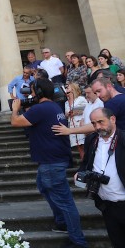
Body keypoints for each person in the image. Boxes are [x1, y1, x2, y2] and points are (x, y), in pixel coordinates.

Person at [10, 78, 87, 247]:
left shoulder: (41, 109)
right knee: (44, 187)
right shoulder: (54, 106)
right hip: (52, 160)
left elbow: (15, 122)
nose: (30, 95)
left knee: (65, 202)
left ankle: (78, 240)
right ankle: (62, 223)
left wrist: (15, 109)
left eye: (32, 91)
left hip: (51, 162)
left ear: (39, 92)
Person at [77, 108, 125, 248]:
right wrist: (80, 173)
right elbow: (86, 163)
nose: (97, 127)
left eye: (100, 122)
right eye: (93, 123)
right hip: (106, 206)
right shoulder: (92, 140)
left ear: (113, 119)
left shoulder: (123, 139)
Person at [65, 83, 88, 159]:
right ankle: (83, 164)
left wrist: (75, 112)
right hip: (72, 124)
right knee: (79, 147)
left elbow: (86, 109)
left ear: (73, 88)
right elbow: (66, 114)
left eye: (68, 87)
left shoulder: (81, 99)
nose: (66, 89)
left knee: (84, 145)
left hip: (80, 123)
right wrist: (68, 114)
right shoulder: (66, 102)